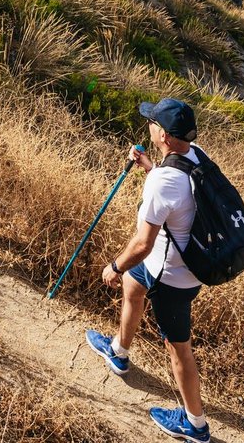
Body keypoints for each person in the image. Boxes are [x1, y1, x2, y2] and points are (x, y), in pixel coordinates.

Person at [85, 98, 211, 442]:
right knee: (133, 285)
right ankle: (119, 352)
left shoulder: (162, 183)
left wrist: (113, 266)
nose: (149, 126)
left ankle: (196, 425)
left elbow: (143, 244)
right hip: (180, 266)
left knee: (179, 348)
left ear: (165, 136)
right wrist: (149, 166)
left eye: (153, 123)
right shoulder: (195, 154)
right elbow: (180, 195)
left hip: (171, 277)